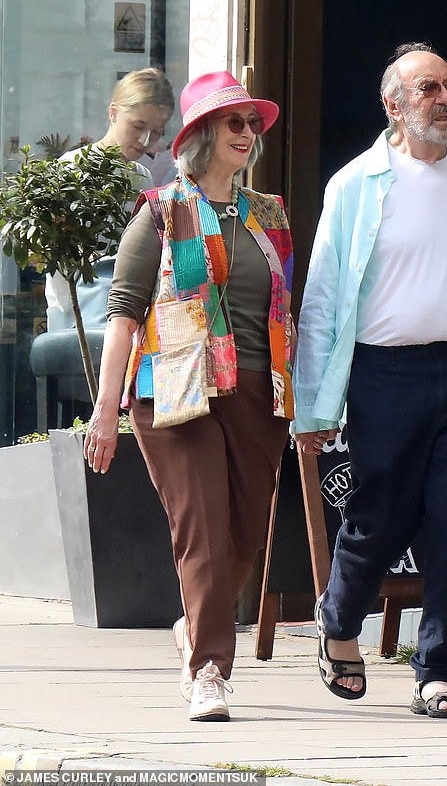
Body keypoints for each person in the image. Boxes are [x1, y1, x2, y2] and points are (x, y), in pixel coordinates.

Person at [293, 42, 447, 719]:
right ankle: (337, 617)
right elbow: (324, 296)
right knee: (381, 515)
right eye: (427, 88)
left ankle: (437, 670)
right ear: (392, 105)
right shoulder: (355, 184)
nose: (443, 98)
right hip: (383, 370)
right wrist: (313, 403)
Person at [83, 71, 295, 723]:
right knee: (201, 527)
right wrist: (105, 408)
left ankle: (194, 627)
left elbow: (291, 309)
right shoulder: (160, 210)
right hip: (176, 392)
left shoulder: (270, 214)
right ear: (201, 134)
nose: (247, 133)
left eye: (252, 123)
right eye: (233, 122)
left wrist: (308, 400)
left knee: (245, 532)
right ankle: (208, 668)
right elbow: (122, 315)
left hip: (258, 392)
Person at [45, 68, 175, 331]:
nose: (145, 140)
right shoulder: (72, 168)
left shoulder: (142, 177)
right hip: (76, 317)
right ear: (113, 112)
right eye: (138, 126)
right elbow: (56, 254)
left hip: (125, 317)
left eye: (157, 132)